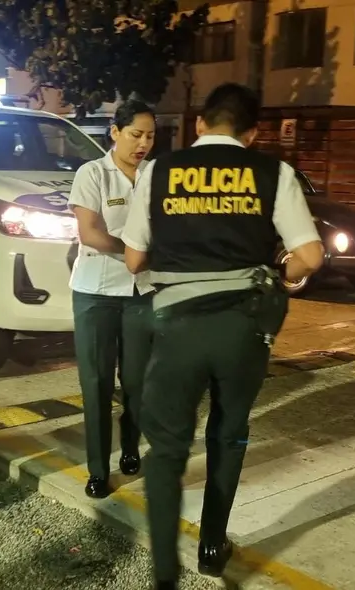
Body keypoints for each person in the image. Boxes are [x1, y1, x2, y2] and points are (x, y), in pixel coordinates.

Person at [121, 83, 326, 589]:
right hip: (242, 328)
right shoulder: (273, 173)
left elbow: (133, 259)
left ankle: (164, 575)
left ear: (200, 125)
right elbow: (311, 257)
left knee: (166, 450)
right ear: (253, 133)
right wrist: (280, 272)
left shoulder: (158, 171)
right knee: (229, 432)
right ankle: (212, 544)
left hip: (176, 327)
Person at [69, 99, 157, 499]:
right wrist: (135, 253)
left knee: (137, 381)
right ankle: (98, 468)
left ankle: (131, 449)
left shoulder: (155, 176)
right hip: (96, 292)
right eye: (136, 134)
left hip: (142, 292)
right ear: (115, 132)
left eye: (150, 136)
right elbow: (90, 233)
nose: (143, 144)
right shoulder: (93, 174)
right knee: (97, 382)